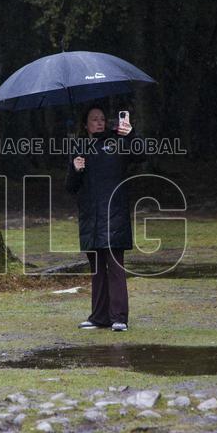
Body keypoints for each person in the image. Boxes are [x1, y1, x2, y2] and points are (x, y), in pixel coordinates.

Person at [65, 105, 144, 331]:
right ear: (85, 124)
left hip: (114, 213)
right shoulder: (79, 148)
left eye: (102, 119)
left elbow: (141, 154)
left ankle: (119, 317)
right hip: (91, 216)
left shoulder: (117, 142)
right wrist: (75, 168)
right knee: (97, 268)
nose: (99, 122)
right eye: (94, 119)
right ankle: (99, 317)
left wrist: (131, 133)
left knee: (115, 266)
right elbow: (70, 187)